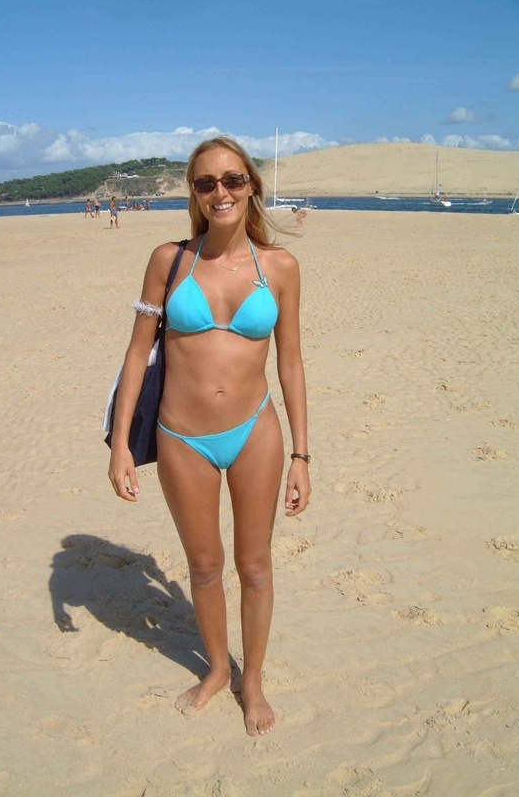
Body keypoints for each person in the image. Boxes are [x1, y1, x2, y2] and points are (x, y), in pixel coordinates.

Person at [107, 136, 310, 737]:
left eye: (232, 180)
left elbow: (291, 363)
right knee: (202, 565)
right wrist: (120, 444)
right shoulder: (168, 260)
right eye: (206, 183)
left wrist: (302, 454)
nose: (220, 192)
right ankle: (219, 669)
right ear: (194, 193)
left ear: (251, 186)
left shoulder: (280, 267)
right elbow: (137, 354)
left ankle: (254, 681)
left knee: (255, 565)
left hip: (256, 432)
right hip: (181, 437)